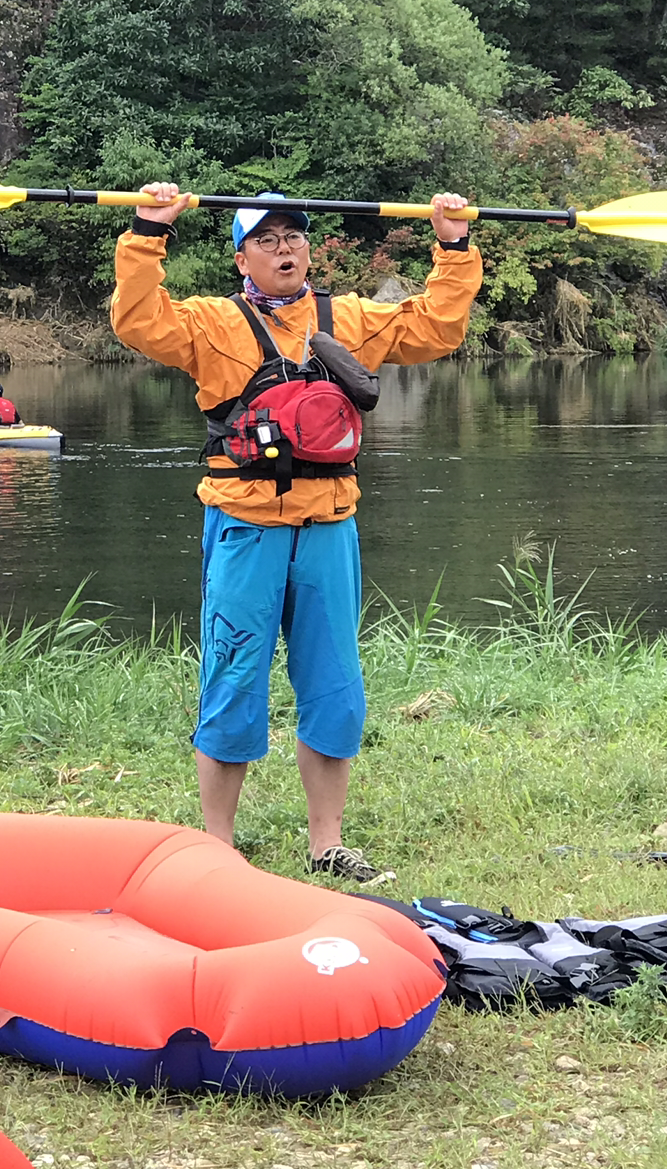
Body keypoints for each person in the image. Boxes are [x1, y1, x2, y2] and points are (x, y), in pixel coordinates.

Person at [110, 184, 483, 881]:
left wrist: (453, 244)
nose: (284, 249)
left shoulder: (348, 319)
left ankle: (327, 845)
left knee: (335, 687)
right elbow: (138, 320)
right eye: (266, 240)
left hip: (327, 526)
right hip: (244, 525)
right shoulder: (212, 323)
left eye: (294, 237)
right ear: (241, 259)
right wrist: (148, 232)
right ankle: (217, 850)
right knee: (233, 681)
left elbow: (438, 326)